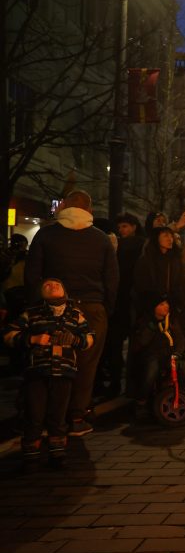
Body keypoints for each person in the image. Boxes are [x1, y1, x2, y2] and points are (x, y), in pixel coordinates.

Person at [25, 190, 118, 436]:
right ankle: (77, 416)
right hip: (92, 307)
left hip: (54, 307)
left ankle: (48, 418)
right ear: (89, 209)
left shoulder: (46, 235)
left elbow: (33, 274)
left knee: (52, 363)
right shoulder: (101, 240)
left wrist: (37, 306)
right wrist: (105, 307)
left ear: (65, 206)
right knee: (86, 364)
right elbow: (112, 279)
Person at [2, 278, 93, 471]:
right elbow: (9, 335)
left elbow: (89, 338)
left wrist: (76, 339)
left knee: (58, 415)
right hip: (38, 371)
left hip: (64, 372)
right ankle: (31, 457)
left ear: (65, 291)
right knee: (35, 413)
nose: (52, 286)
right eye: (47, 285)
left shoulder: (75, 315)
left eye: (57, 284)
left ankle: (57, 454)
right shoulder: (32, 314)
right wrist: (33, 338)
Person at [127, 292, 185, 421]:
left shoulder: (172, 321)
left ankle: (183, 396)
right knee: (152, 370)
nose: (166, 306)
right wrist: (150, 329)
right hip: (152, 356)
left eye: (167, 303)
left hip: (171, 356)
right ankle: (141, 402)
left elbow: (180, 339)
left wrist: (177, 353)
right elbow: (139, 343)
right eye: (162, 304)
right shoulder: (145, 321)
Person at [103, 213, 146, 398]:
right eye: (120, 227)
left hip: (127, 297)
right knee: (116, 342)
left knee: (123, 342)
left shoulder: (136, 245)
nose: (122, 230)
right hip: (123, 298)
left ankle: (123, 382)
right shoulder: (118, 246)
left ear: (134, 227)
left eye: (125, 226)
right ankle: (119, 381)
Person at [133, 226, 185, 321]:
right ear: (156, 239)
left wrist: (171, 303)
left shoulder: (175, 260)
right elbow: (141, 285)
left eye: (171, 236)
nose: (170, 239)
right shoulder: (146, 260)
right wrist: (156, 304)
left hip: (172, 308)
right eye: (165, 236)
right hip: (151, 309)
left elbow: (182, 283)